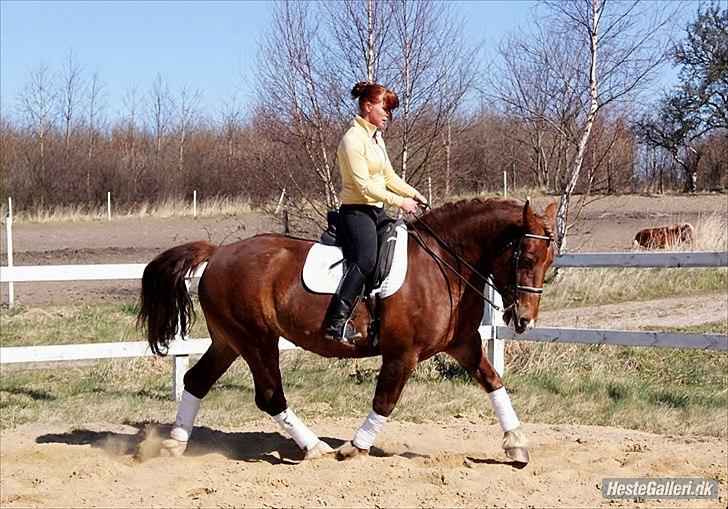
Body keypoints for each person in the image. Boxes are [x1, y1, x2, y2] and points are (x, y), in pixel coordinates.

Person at [324, 81, 427, 342]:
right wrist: (399, 202)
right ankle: (336, 321)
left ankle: (379, 318)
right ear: (367, 106)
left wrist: (413, 193)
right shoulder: (352, 140)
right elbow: (365, 186)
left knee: (395, 256)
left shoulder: (376, 138)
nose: (388, 114)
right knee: (366, 260)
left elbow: (388, 176)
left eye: (390, 110)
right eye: (385, 108)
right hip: (357, 211)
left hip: (376, 211)